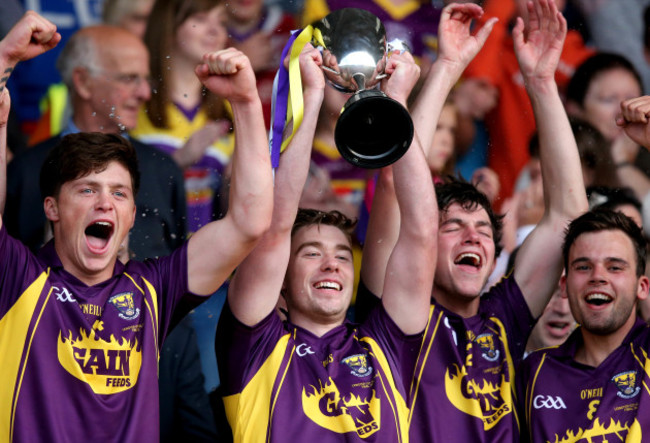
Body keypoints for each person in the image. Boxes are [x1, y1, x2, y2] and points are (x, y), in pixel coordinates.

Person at [0, 13, 274, 442]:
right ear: (51, 208)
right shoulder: (17, 278)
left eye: (120, 193)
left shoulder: (152, 290)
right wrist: (2, 61)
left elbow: (250, 222)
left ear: (130, 217)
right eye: (87, 190)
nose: (106, 202)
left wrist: (244, 104)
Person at [358, 1, 588, 440]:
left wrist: (540, 83)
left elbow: (568, 215)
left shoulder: (503, 317)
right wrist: (447, 67)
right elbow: (393, 183)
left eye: (484, 230)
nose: (473, 237)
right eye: (454, 227)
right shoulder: (394, 308)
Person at [216, 41, 437, 440]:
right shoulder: (255, 349)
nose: (332, 264)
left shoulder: (386, 347)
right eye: (311, 253)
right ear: (281, 279)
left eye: (341, 255)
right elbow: (273, 230)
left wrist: (398, 101)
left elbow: (422, 232)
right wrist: (314, 94)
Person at [6, 25, 187, 261]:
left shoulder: (163, 170)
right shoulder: (26, 171)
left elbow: (178, 275)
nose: (144, 92)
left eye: (145, 80)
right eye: (129, 78)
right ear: (82, 82)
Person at [517, 209, 650, 441]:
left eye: (615, 267)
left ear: (642, 287)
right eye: (583, 267)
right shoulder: (533, 374)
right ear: (565, 285)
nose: (597, 276)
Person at [459, 0, 593, 204]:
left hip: (574, 198)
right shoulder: (502, 54)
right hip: (507, 200)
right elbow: (477, 88)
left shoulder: (585, 59)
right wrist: (498, 8)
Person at [132, 0, 233, 234]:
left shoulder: (230, 106)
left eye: (222, 21)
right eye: (199, 19)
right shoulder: (135, 101)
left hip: (211, 259)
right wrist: (178, 161)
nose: (214, 30)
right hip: (148, 257)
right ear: (168, 26)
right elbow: (115, 193)